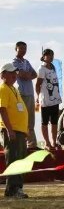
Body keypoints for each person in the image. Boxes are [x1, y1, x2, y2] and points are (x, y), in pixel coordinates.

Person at [0, 62, 29, 198]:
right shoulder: (3, 89)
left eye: (15, 73)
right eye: (10, 73)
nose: (14, 75)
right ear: (3, 75)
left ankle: (17, 188)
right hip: (11, 131)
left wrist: (25, 130)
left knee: (20, 159)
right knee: (13, 159)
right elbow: (3, 110)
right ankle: (12, 189)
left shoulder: (14, 89)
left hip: (20, 131)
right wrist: (9, 130)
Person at [35, 49, 62, 150]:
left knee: (54, 122)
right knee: (44, 122)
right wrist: (38, 96)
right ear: (44, 56)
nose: (51, 57)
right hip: (45, 100)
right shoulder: (41, 69)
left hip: (55, 99)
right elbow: (38, 84)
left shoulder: (53, 67)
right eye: (49, 55)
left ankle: (54, 142)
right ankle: (47, 143)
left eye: (52, 55)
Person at [12, 41, 38, 148]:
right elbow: (22, 75)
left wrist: (28, 75)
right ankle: (23, 143)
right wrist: (26, 75)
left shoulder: (26, 62)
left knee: (31, 119)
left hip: (30, 93)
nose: (23, 50)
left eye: (25, 48)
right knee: (23, 119)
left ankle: (32, 144)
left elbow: (34, 74)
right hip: (22, 93)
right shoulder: (14, 62)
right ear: (16, 49)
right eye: (21, 48)